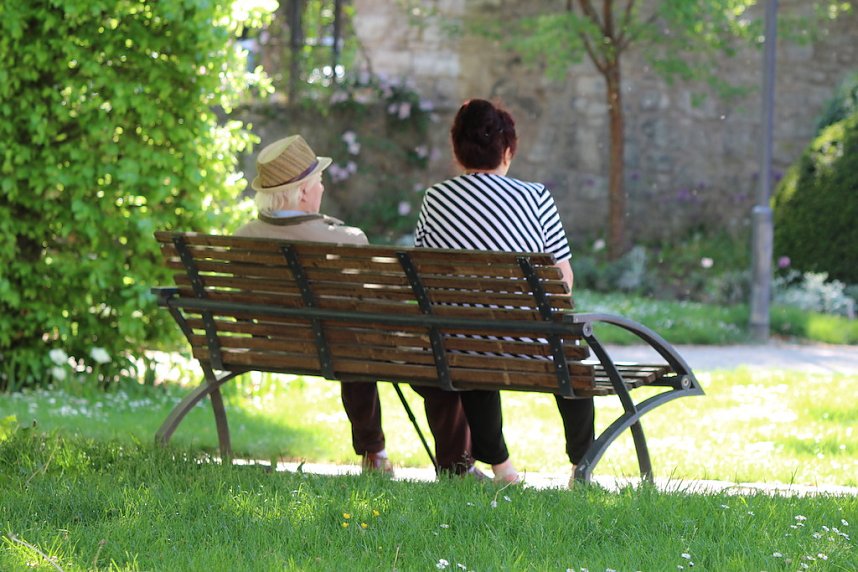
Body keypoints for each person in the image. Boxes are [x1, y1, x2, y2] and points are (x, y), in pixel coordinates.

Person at [412, 99, 596, 487]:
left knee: (473, 341)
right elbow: (563, 281)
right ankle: (582, 465)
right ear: (507, 150)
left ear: (457, 151)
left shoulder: (435, 199)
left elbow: (426, 276)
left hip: (461, 345)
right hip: (533, 342)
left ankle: (503, 470)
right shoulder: (536, 197)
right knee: (569, 354)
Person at [234, 134, 394, 474]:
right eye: (319, 181)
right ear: (304, 191)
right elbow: (366, 308)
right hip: (339, 350)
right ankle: (374, 453)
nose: (322, 188)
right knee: (354, 345)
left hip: (268, 345)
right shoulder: (346, 239)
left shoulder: (243, 237)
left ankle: (375, 453)